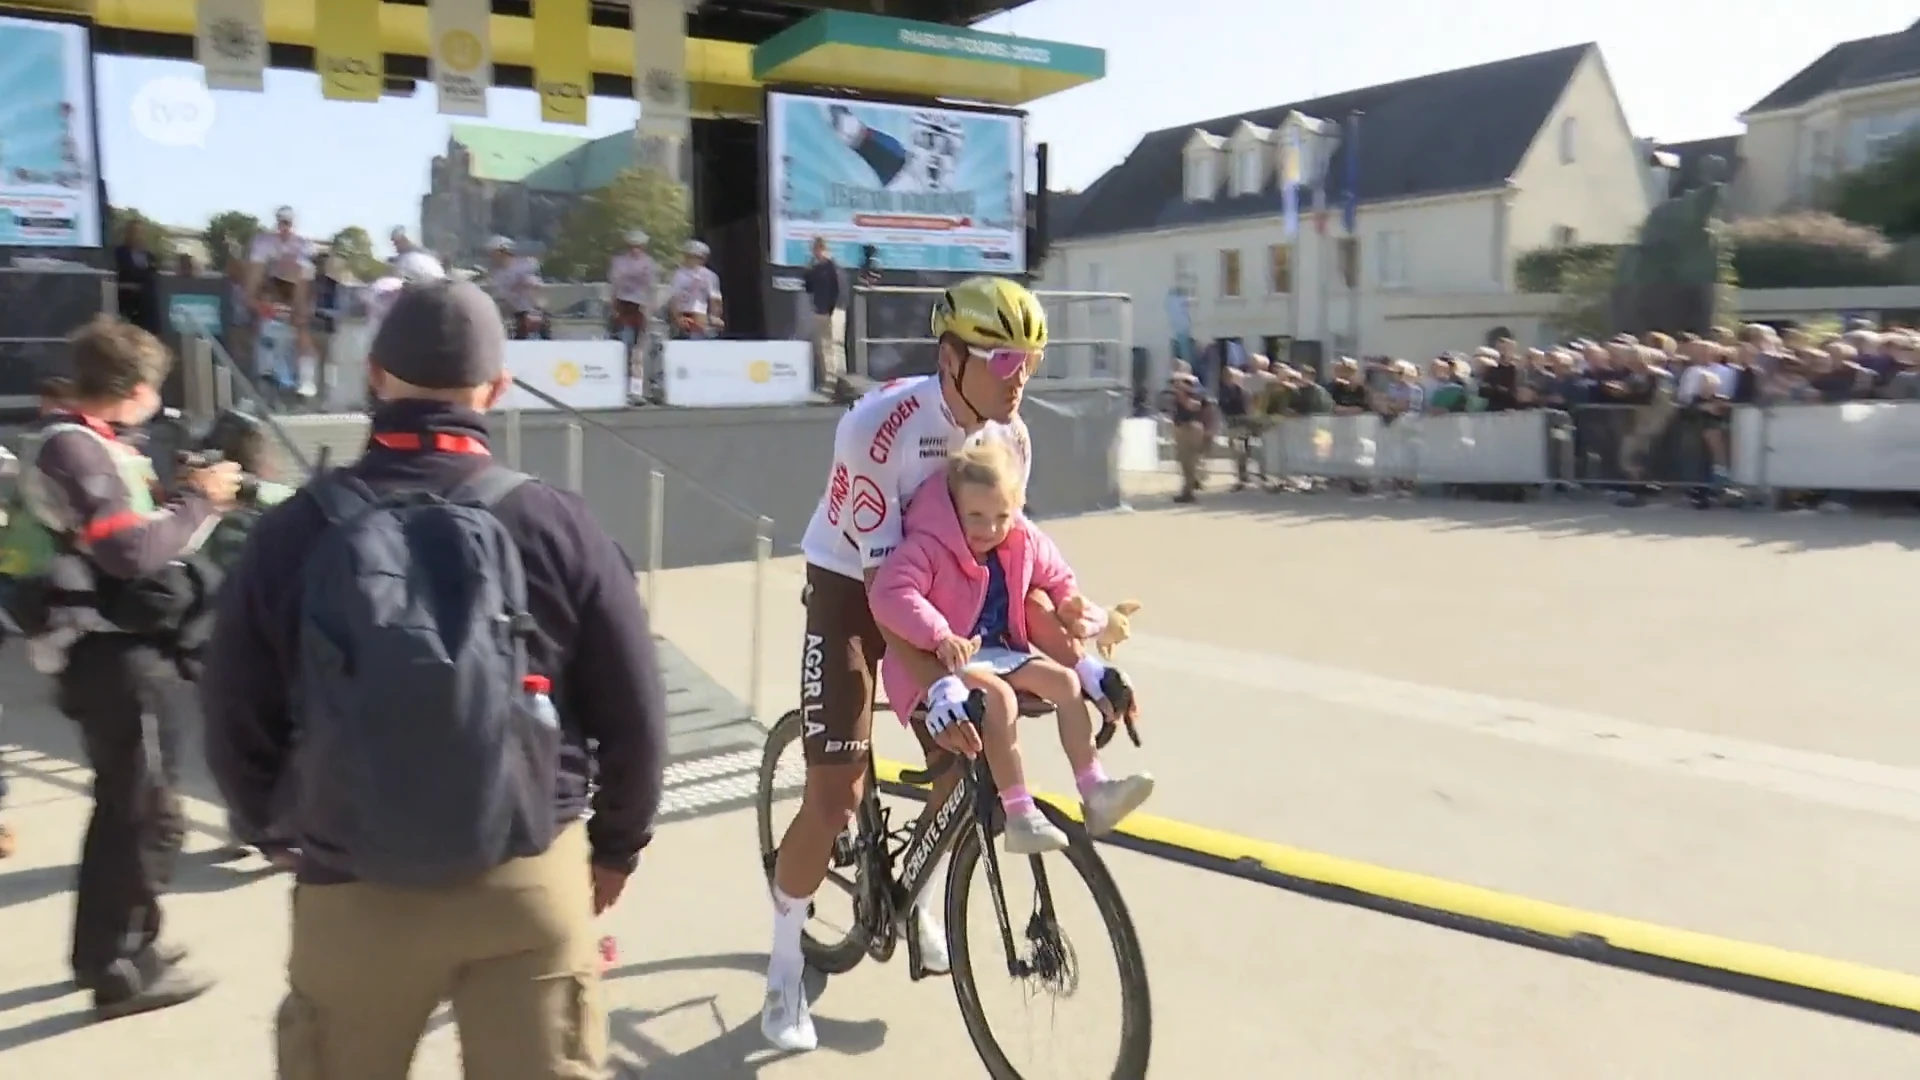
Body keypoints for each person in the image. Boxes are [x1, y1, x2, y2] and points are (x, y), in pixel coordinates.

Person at [201, 279, 668, 1080]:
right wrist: (615, 847)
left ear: (376, 376)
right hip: (529, 872)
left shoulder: (293, 531)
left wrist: (278, 829)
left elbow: (233, 714)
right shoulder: (556, 521)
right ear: (492, 389)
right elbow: (637, 713)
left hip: (352, 879)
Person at [764, 276, 1140, 1052]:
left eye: (1031, 359)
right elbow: (880, 591)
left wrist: (1079, 652)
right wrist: (936, 682)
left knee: (964, 761)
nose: (1020, 377)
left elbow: (1014, 567)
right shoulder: (879, 427)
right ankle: (782, 967)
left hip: (935, 583)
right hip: (852, 580)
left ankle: (922, 892)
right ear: (951, 356)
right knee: (835, 794)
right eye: (1004, 359)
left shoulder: (1014, 435)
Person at [4, 317, 241, 1019]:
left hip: (118, 653)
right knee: (142, 814)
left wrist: (180, 500)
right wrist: (200, 501)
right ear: (135, 390)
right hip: (114, 657)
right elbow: (130, 555)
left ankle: (128, 945)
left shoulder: (87, 446)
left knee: (138, 807)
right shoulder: (77, 449)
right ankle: (116, 966)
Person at [868, 440, 1153, 853]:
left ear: (1016, 506)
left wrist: (1069, 604)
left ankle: (1096, 790)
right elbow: (891, 592)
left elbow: (1057, 576)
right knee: (999, 699)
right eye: (975, 517)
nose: (989, 529)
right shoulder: (930, 544)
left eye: (1001, 516)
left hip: (1000, 651)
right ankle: (1019, 812)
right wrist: (939, 633)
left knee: (1064, 682)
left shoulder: (1021, 539)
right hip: (949, 657)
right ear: (953, 507)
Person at [245, 206, 318, 400]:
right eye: (281, 222)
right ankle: (265, 372)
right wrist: (253, 299)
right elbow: (255, 272)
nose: (284, 227)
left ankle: (306, 379)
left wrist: (300, 309)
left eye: (288, 223)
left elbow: (305, 279)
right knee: (262, 325)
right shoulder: (264, 242)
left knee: (302, 328)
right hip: (272, 284)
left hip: (296, 287)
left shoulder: (304, 243)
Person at [608, 229, 659, 400]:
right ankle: (620, 388)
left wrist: (650, 309)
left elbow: (652, 288)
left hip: (641, 308)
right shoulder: (619, 262)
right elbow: (614, 287)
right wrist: (614, 308)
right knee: (624, 349)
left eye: (639, 246)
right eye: (632, 245)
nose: (635, 249)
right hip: (624, 306)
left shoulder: (649, 263)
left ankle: (636, 391)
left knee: (638, 352)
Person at [486, 236, 548, 340]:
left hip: (530, 313)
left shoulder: (524, 266)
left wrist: (526, 285)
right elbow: (502, 295)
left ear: (504, 252)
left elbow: (538, 287)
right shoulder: (497, 273)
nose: (491, 257)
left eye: (494, 253)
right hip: (513, 315)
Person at [802, 237, 841, 392]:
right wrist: (808, 270)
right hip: (820, 310)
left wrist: (833, 309)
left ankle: (839, 380)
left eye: (818, 250)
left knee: (835, 345)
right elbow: (809, 288)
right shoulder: (816, 269)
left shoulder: (833, 266)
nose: (817, 254)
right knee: (825, 347)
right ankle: (830, 381)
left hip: (833, 309)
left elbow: (839, 288)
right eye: (815, 251)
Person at [113, 218, 162, 336]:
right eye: (134, 231)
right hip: (127, 301)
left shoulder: (150, 256)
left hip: (147, 306)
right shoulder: (119, 253)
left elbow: (153, 274)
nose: (137, 235)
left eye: (140, 232)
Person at [668, 240, 723, 339]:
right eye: (688, 256)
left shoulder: (710, 276)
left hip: (700, 316)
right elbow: (674, 298)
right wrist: (676, 318)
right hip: (683, 315)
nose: (689, 259)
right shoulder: (678, 275)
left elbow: (715, 299)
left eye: (696, 257)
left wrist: (715, 317)